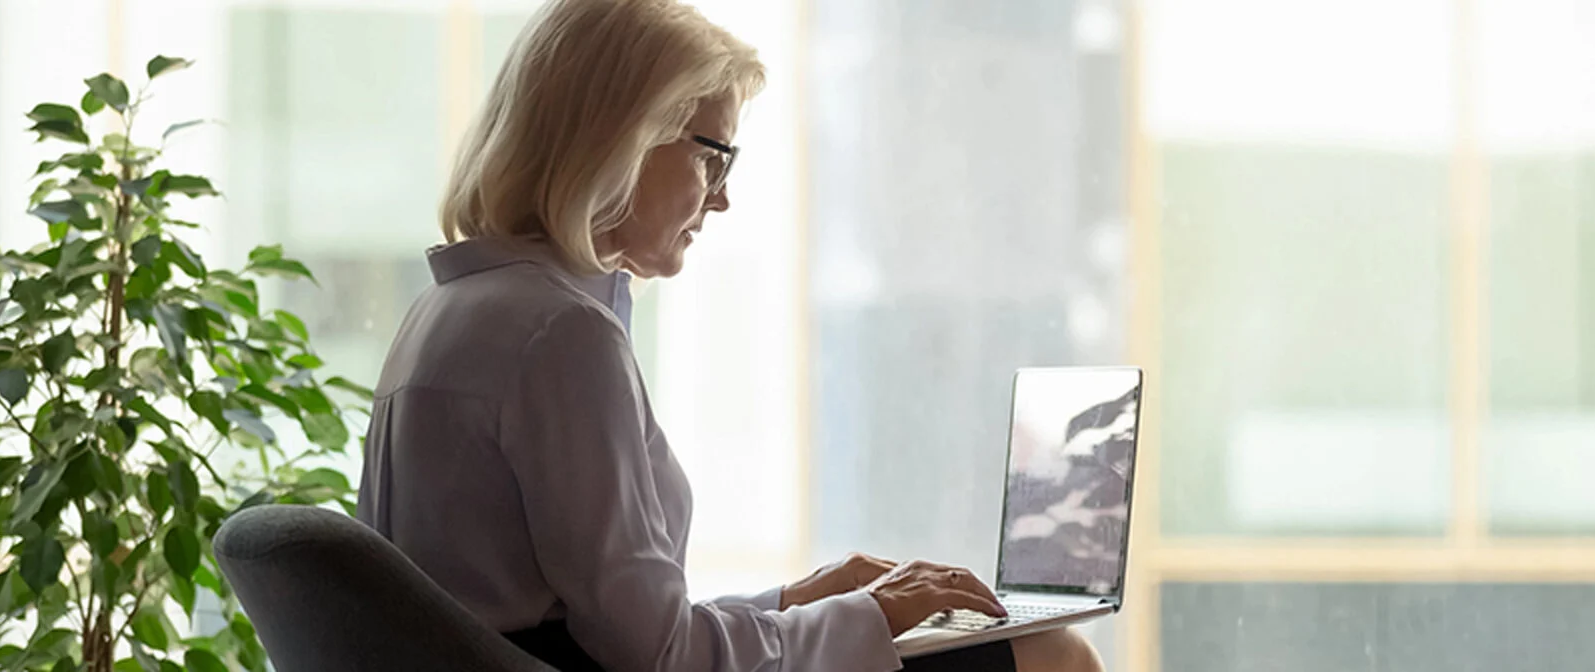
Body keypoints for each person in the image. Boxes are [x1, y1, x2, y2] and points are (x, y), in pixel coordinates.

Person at [353, 1, 1103, 670]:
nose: (723, 197)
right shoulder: (560, 332)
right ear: (621, 140)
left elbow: (604, 629)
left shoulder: (448, 312)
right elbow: (659, 656)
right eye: (714, 154)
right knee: (1054, 653)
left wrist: (792, 599)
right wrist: (873, 614)